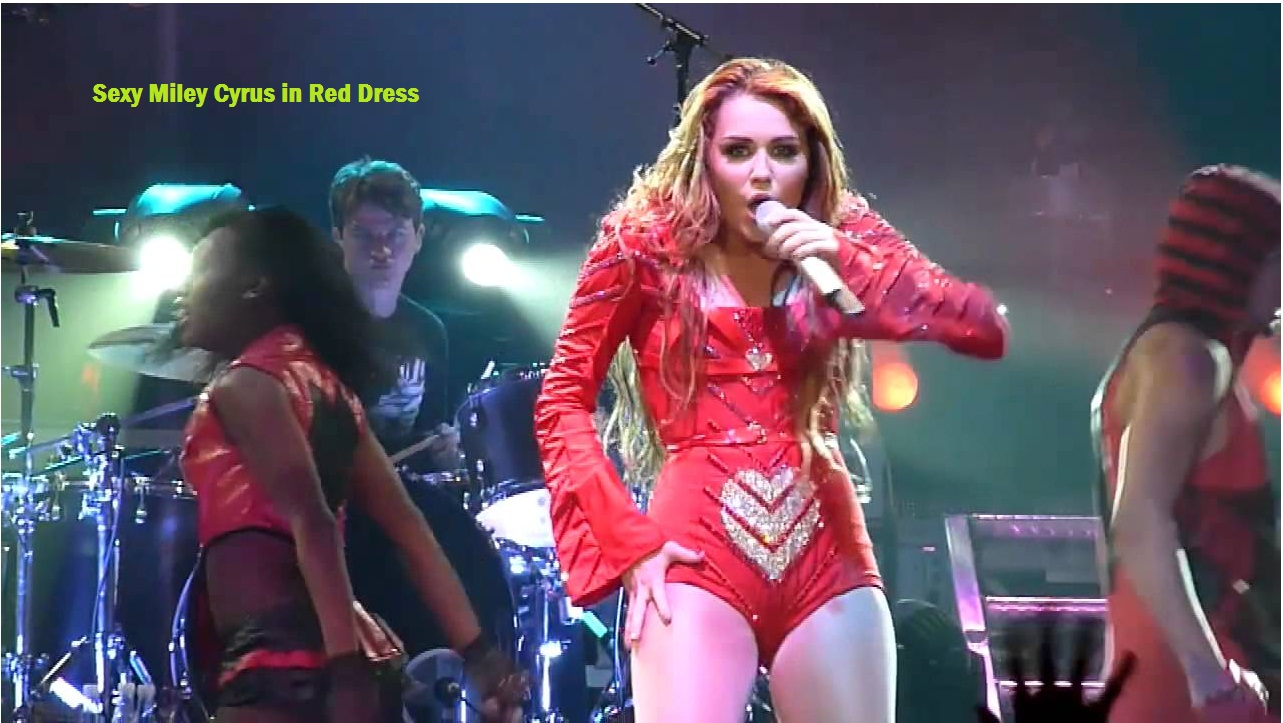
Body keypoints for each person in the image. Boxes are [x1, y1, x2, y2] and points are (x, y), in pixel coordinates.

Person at [533, 57, 1009, 723]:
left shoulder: (841, 229)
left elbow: (980, 326)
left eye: (783, 151)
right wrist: (627, 539)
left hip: (828, 551)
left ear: (811, 161)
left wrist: (846, 258)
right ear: (704, 159)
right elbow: (561, 397)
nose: (761, 173)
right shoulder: (640, 244)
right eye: (738, 151)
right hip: (694, 551)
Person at [174, 206, 525, 722]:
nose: (183, 290)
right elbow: (411, 531)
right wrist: (477, 653)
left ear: (254, 286)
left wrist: (344, 670)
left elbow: (313, 519)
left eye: (200, 269)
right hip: (343, 653)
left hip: (284, 662)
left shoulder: (245, 385)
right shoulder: (333, 393)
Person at [1092, 164, 1280, 723]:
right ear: (1238, 259)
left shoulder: (1187, 354)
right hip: (1199, 681)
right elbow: (1140, 519)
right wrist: (1209, 675)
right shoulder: (1186, 359)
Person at [328, 157, 459, 471]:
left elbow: (429, 435)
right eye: (363, 235)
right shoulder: (312, 324)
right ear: (338, 237)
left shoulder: (429, 330)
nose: (382, 250)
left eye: (396, 234)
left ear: (419, 238)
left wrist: (445, 451)